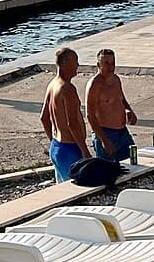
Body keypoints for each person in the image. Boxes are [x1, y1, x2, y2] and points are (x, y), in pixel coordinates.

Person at [41, 46, 89, 179]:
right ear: (66, 62)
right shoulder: (67, 89)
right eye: (75, 61)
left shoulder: (52, 85)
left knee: (62, 187)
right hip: (70, 148)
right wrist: (84, 150)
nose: (78, 65)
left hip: (57, 146)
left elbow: (44, 117)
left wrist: (53, 142)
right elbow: (72, 123)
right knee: (75, 190)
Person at [86, 47, 138, 162]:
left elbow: (122, 100)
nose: (110, 67)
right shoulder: (95, 85)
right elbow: (90, 115)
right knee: (107, 172)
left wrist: (130, 112)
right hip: (106, 132)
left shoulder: (116, 80)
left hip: (122, 132)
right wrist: (104, 140)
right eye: (106, 63)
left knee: (132, 164)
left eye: (113, 63)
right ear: (99, 65)